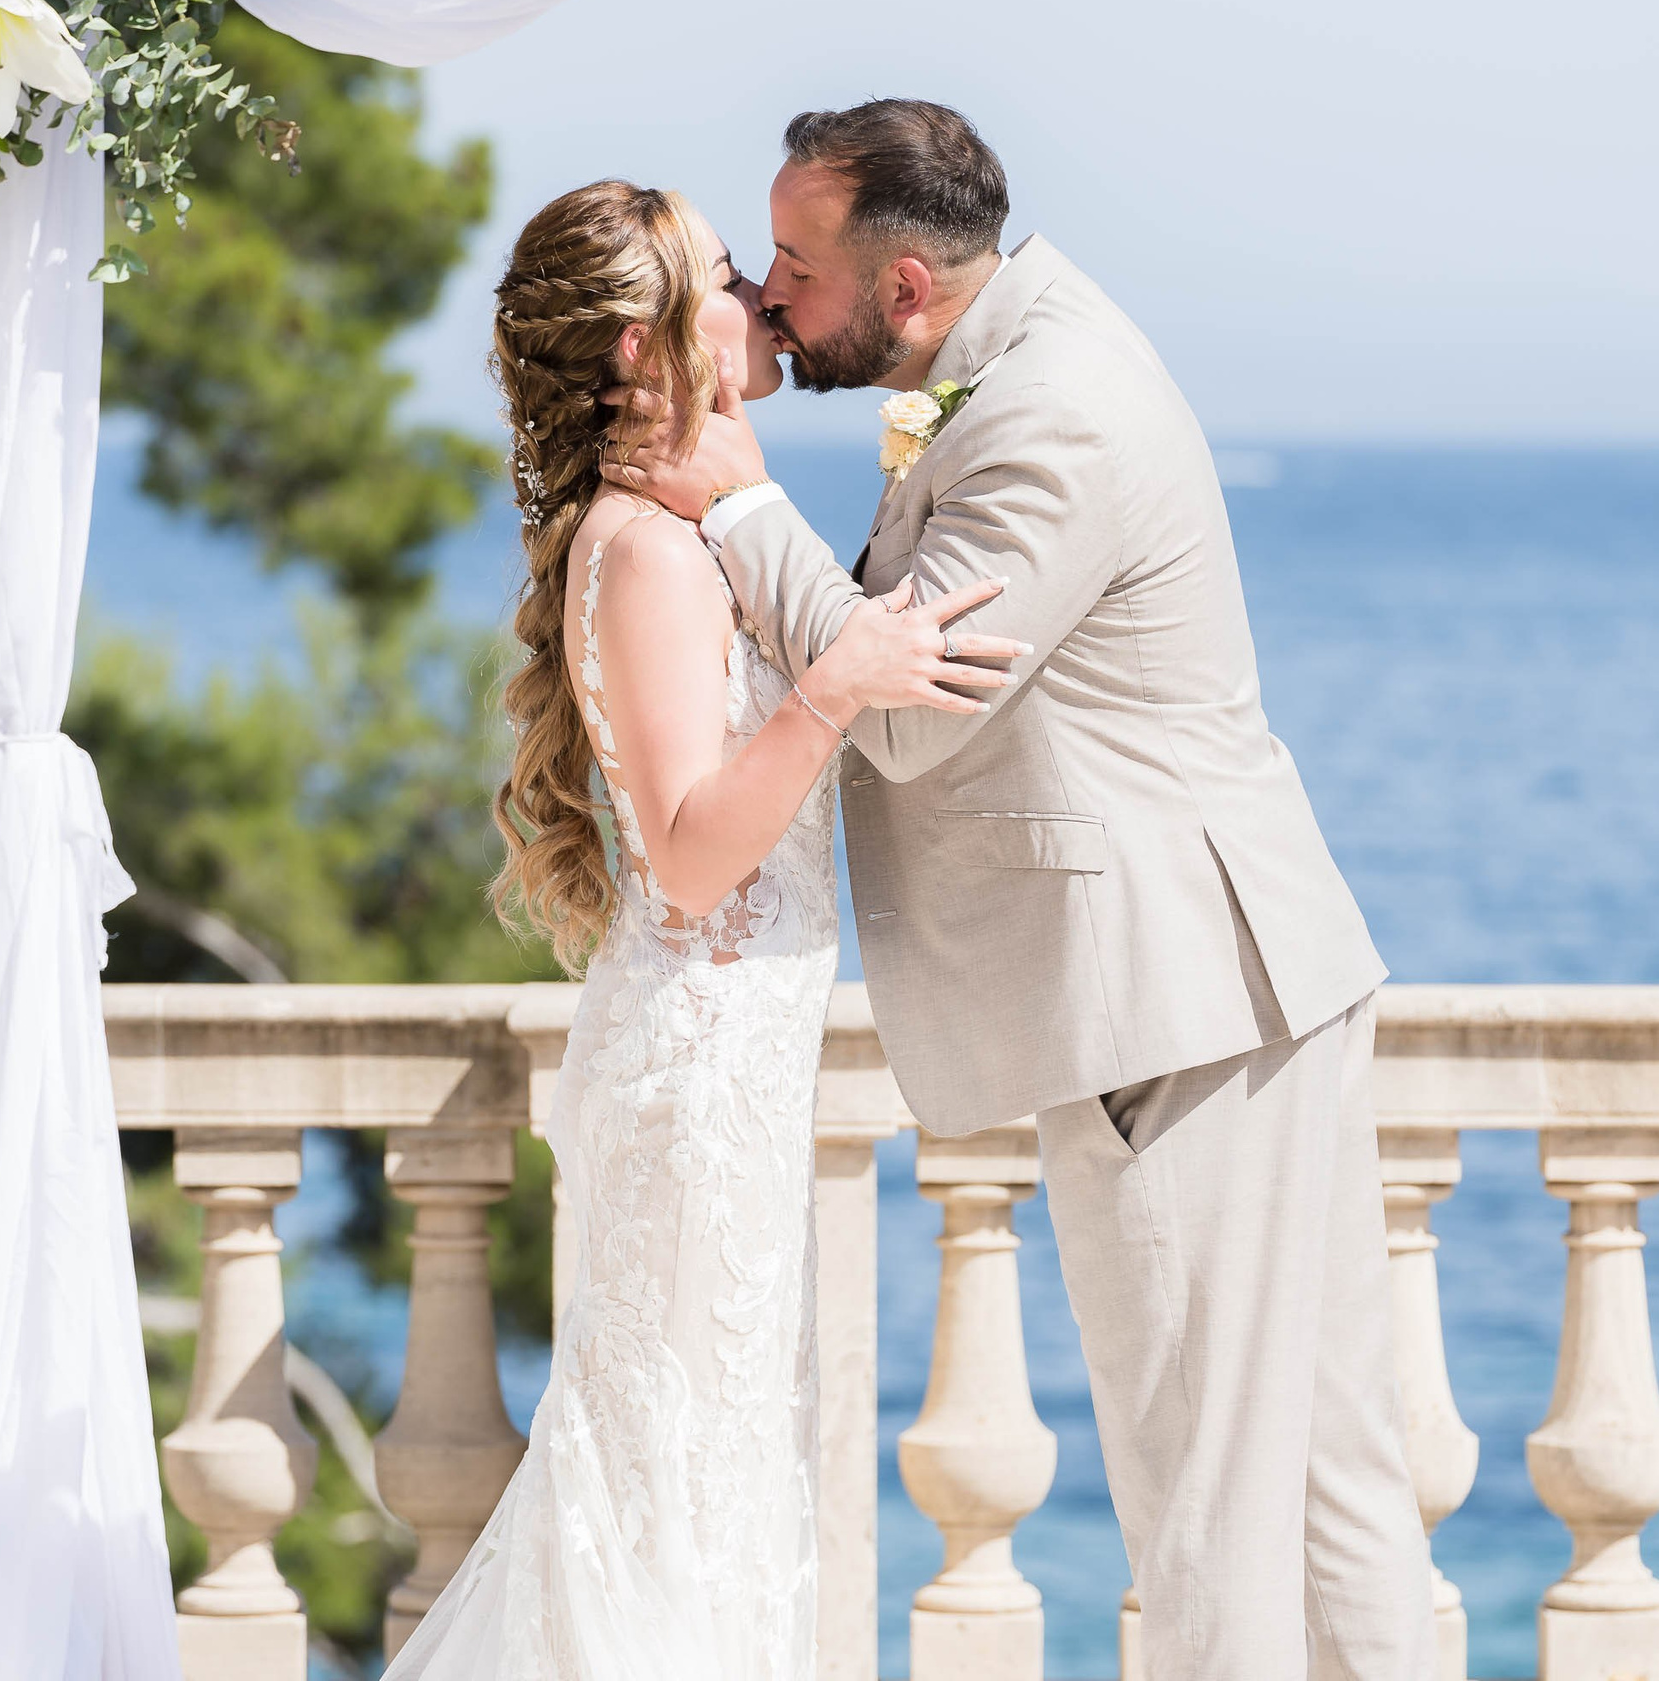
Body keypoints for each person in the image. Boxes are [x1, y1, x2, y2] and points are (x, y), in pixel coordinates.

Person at [611, 100, 1439, 1681]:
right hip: (1248, 982)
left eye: (792, 263)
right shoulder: (1020, 353)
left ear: (907, 285)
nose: (768, 295)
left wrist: (736, 501)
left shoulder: (1047, 410)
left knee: (1204, 1505)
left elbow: (911, 715)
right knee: (1331, 1493)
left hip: (1178, 1007)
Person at [381, 177, 1021, 1681]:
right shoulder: (653, 554)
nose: (762, 303)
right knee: (669, 1488)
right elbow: (682, 858)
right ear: (639, 346)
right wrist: (836, 687)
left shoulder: (675, 531)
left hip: (722, 1069)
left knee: (704, 1478)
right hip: (694, 1074)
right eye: (729, 278)